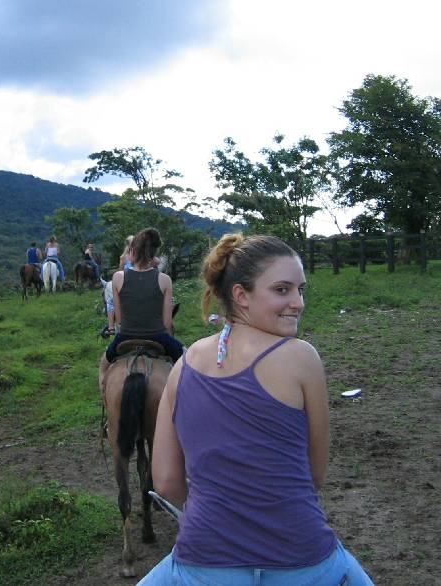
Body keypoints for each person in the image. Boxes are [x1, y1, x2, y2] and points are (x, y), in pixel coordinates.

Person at [139, 234, 374, 585]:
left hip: (202, 561)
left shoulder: (183, 366)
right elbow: (315, 476)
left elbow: (168, 482)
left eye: (300, 290)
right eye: (282, 290)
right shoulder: (301, 357)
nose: (298, 302)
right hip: (302, 560)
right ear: (241, 295)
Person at [98, 227, 184, 399]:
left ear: (132, 252)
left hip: (125, 337)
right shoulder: (165, 280)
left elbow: (119, 319)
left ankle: (106, 407)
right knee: (189, 362)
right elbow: (167, 324)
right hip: (159, 337)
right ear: (154, 254)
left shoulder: (117, 278)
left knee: (103, 367)